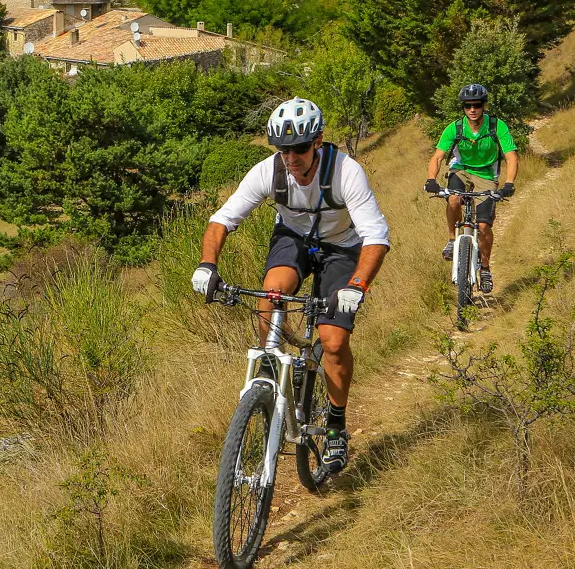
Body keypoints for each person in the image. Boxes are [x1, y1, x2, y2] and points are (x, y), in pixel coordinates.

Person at [191, 97, 389, 474]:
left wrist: (358, 285)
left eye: (299, 148)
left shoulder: (347, 172)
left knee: (333, 340)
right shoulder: (269, 171)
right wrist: (207, 264)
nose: (291, 158)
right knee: (272, 293)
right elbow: (222, 220)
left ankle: (335, 425)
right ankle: (270, 372)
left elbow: (376, 236)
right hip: (294, 238)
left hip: (343, 246)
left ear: (317, 142)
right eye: (282, 150)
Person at [423, 83, 517, 295]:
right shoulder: (455, 128)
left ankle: (485, 269)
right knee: (454, 199)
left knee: (483, 226)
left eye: (476, 105)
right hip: (461, 170)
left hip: (486, 174)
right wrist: (431, 179)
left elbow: (511, 156)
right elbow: (438, 156)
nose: (472, 109)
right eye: (468, 106)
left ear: (484, 106)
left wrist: (509, 183)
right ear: (463, 108)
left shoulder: (496, 126)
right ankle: (451, 240)